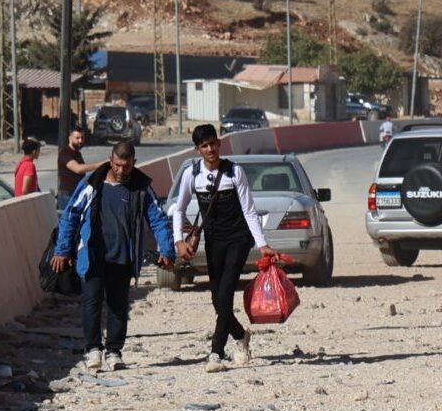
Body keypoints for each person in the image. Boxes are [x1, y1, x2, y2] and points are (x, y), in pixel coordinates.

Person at [51, 141, 174, 372]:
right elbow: (71, 215)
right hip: (93, 255)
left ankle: (114, 351)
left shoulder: (141, 187)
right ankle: (92, 349)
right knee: (92, 303)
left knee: (119, 306)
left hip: (123, 256)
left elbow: (157, 219)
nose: (121, 170)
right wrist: (62, 249)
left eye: (126, 166)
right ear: (110, 160)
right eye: (117, 165)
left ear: (133, 163)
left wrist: (167, 250)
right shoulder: (92, 183)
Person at [170, 124, 277, 373]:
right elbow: (179, 209)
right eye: (205, 145)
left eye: (214, 143)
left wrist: (262, 245)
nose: (211, 149)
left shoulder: (234, 171)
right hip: (214, 240)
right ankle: (240, 335)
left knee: (226, 291)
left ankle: (216, 352)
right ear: (198, 149)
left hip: (238, 239)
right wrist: (179, 241)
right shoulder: (192, 174)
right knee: (217, 299)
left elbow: (249, 211)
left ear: (220, 144)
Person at [56, 126, 97, 194]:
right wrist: (100, 164)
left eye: (82, 138)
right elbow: (78, 169)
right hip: (67, 194)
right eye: (77, 138)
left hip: (77, 192)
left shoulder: (77, 153)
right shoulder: (65, 153)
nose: (80, 141)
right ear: (70, 138)